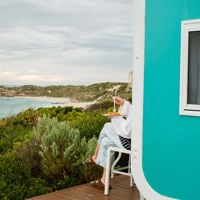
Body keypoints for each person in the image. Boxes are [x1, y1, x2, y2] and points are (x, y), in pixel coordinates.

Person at [85, 96, 133, 190]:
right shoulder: (145, 106)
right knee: (105, 141)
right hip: (132, 141)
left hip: (131, 144)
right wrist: (123, 102)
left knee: (107, 126)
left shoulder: (143, 108)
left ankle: (95, 156)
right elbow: (132, 112)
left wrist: (115, 120)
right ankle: (103, 180)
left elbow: (127, 131)